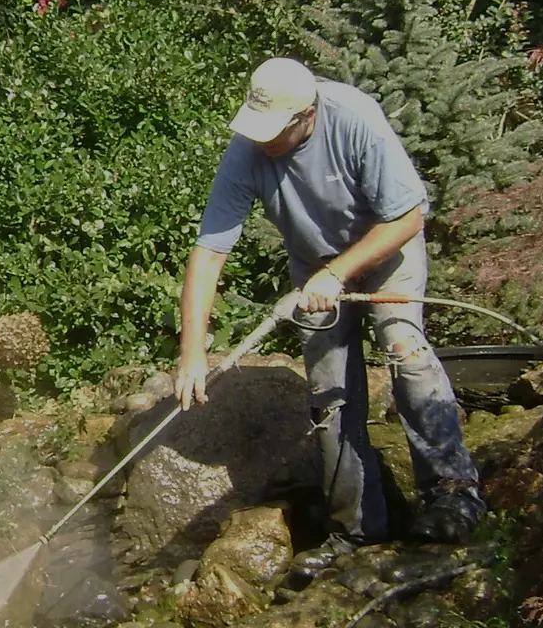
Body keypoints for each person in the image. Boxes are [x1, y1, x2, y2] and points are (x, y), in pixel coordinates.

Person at [174, 57, 486, 570]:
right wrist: (192, 353)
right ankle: (357, 531)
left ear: (307, 114)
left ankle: (454, 495)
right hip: (316, 270)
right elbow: (209, 254)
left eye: (274, 131)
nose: (262, 142)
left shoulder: (354, 118)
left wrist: (341, 273)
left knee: (405, 349)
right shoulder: (247, 150)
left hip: (387, 249)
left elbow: (408, 216)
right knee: (329, 395)